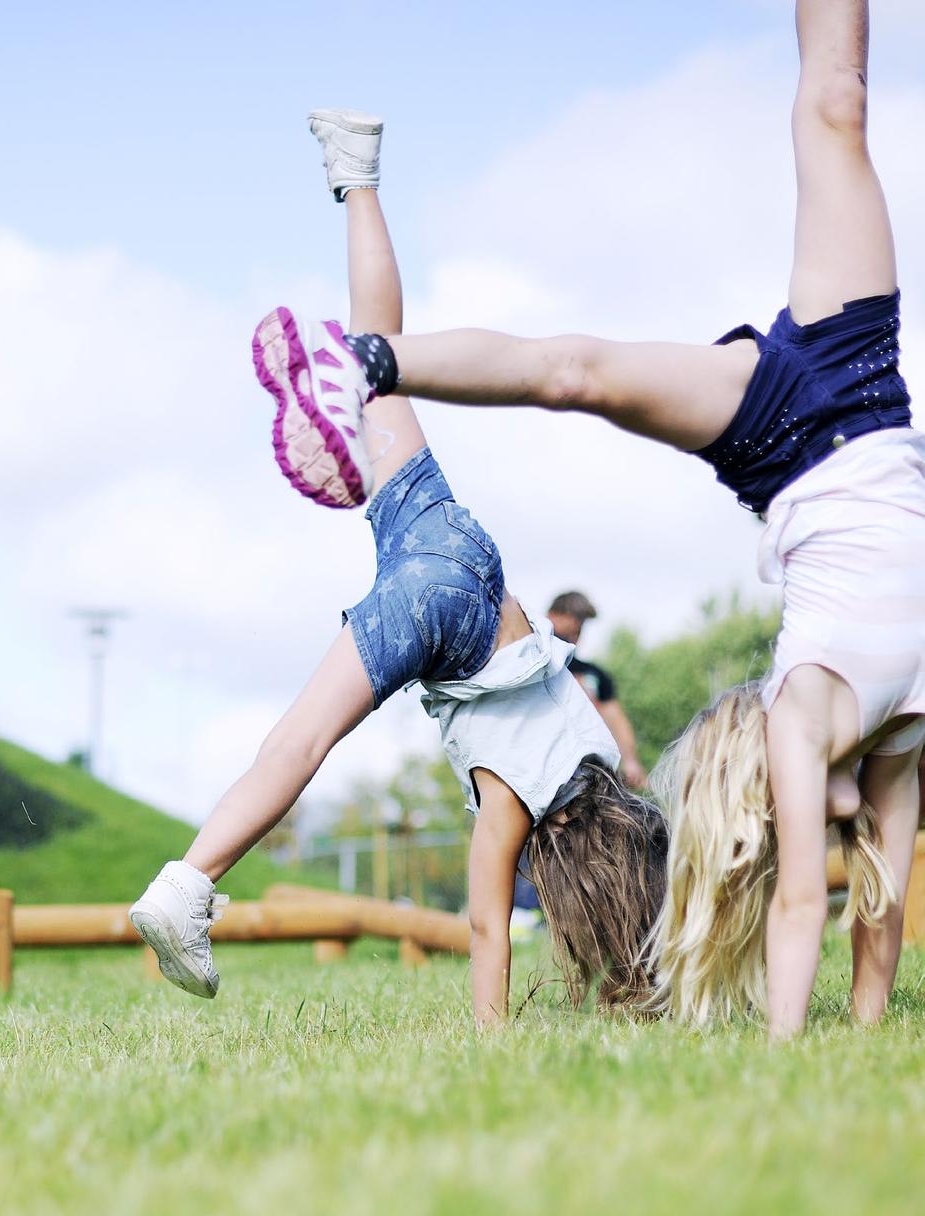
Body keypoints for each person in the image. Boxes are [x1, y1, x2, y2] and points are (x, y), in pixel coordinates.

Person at [266, 1, 925, 1039]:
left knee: (576, 373)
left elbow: (836, 907)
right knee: (835, 107)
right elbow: (851, 917)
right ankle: (370, 359)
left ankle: (369, 363)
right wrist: (838, 1030)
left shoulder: (803, 717)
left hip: (783, 445)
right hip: (866, 381)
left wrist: (798, 1050)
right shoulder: (891, 724)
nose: (836, 830)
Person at [130, 110, 668, 1026]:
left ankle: (356, 173)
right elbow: (488, 930)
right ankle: (187, 886)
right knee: (298, 744)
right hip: (433, 617)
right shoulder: (514, 808)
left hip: (467, 557)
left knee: (382, 358)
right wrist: (495, 1037)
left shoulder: (597, 757)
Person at [547, 590, 647, 789]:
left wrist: (630, 760)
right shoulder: (530, 668)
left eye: (582, 623)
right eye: (575, 620)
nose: (578, 629)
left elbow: (615, 718)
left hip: (584, 773)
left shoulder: (594, 675)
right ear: (552, 616)